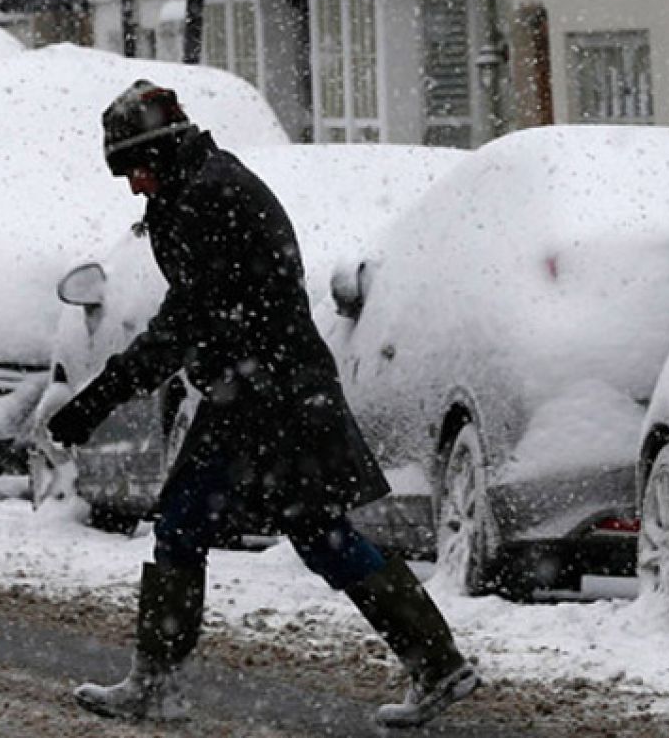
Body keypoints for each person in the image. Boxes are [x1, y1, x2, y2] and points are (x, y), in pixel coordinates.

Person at [47, 80, 480, 731]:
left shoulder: (206, 196)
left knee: (206, 527)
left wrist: (99, 397)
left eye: (134, 168)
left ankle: (157, 683)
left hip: (265, 397)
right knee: (307, 535)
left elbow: (187, 318)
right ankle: (435, 661)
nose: (133, 186)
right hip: (268, 390)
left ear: (160, 153)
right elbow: (200, 312)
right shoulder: (201, 185)